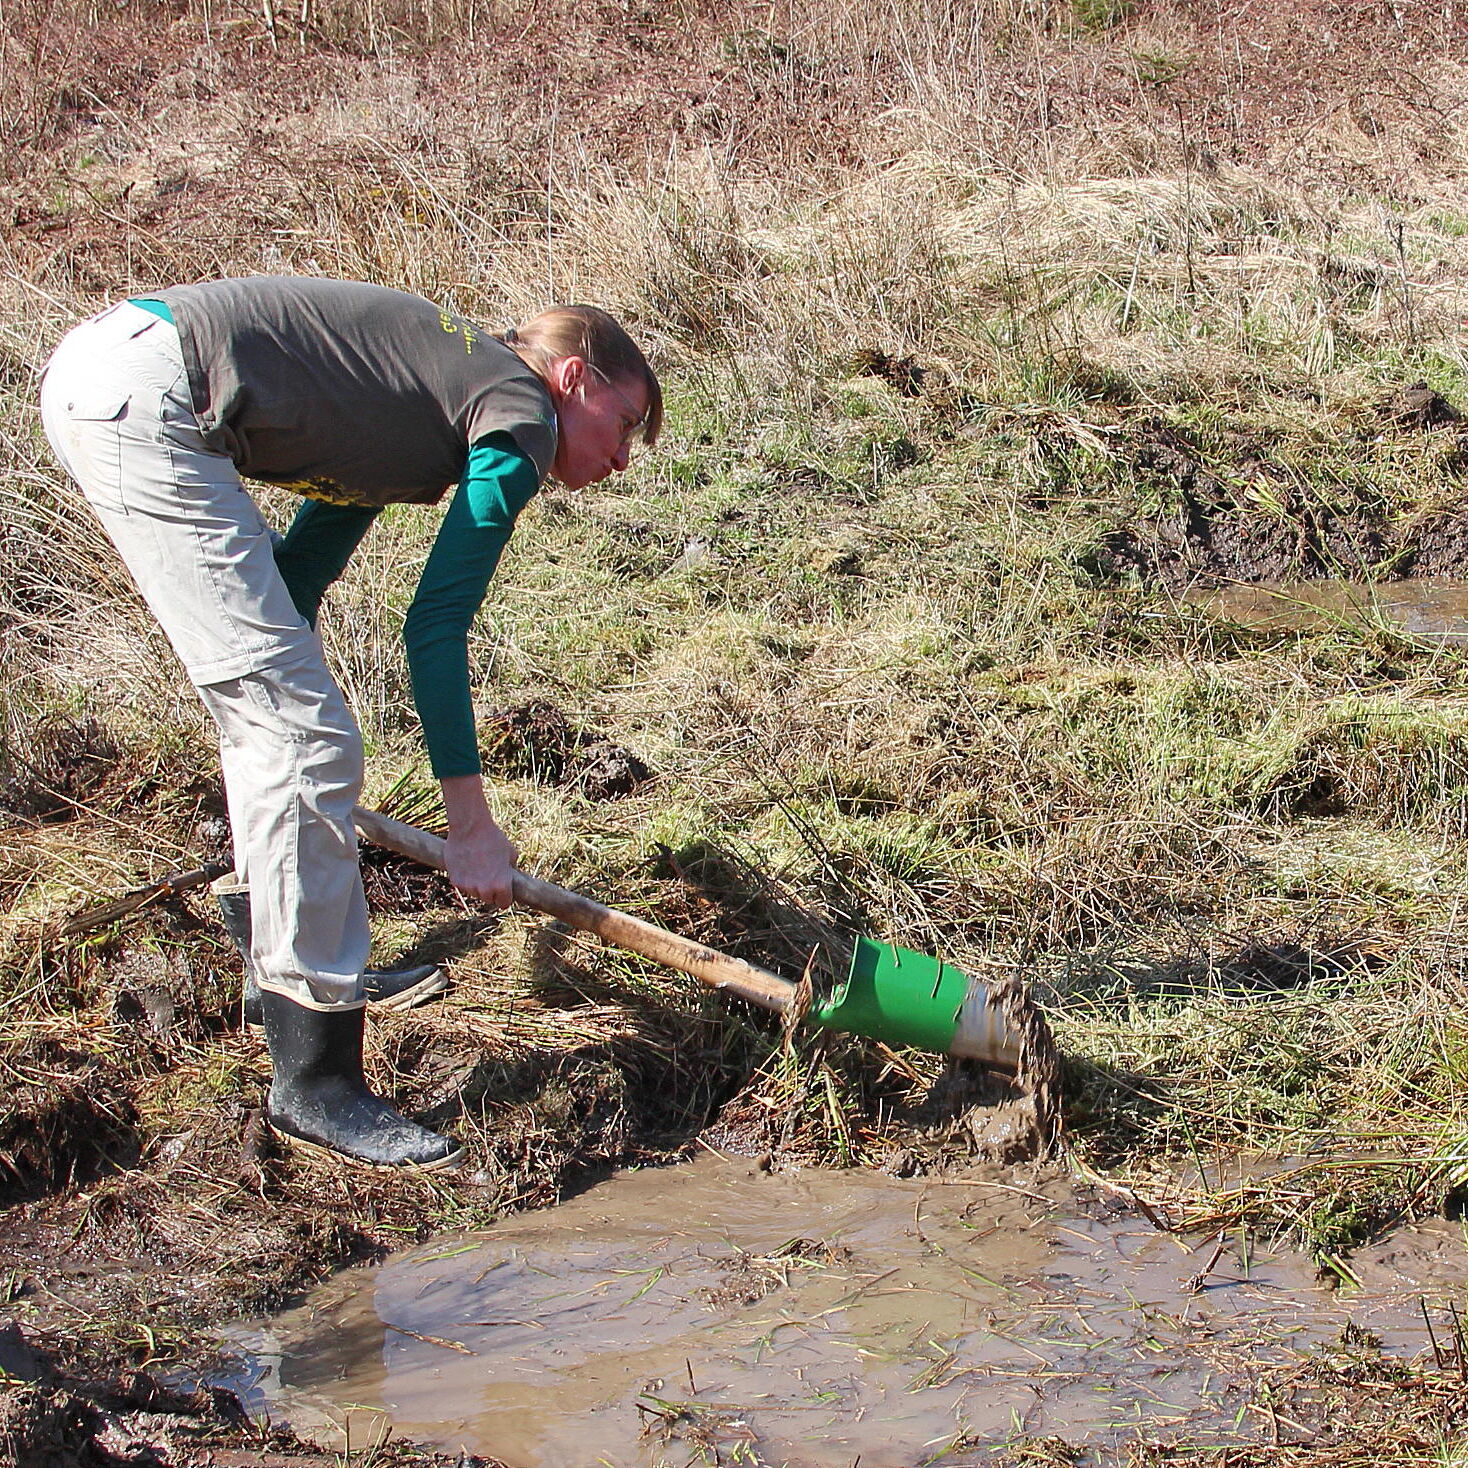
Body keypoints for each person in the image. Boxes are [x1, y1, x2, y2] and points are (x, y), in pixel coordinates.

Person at [40, 276, 661, 1171]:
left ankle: (281, 964)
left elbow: (300, 575)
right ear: (574, 377)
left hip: (116, 373)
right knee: (306, 737)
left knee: (281, 723)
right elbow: (436, 626)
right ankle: (316, 1082)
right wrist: (472, 828)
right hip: (146, 395)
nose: (623, 458)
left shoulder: (425, 391)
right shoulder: (521, 411)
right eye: (627, 423)